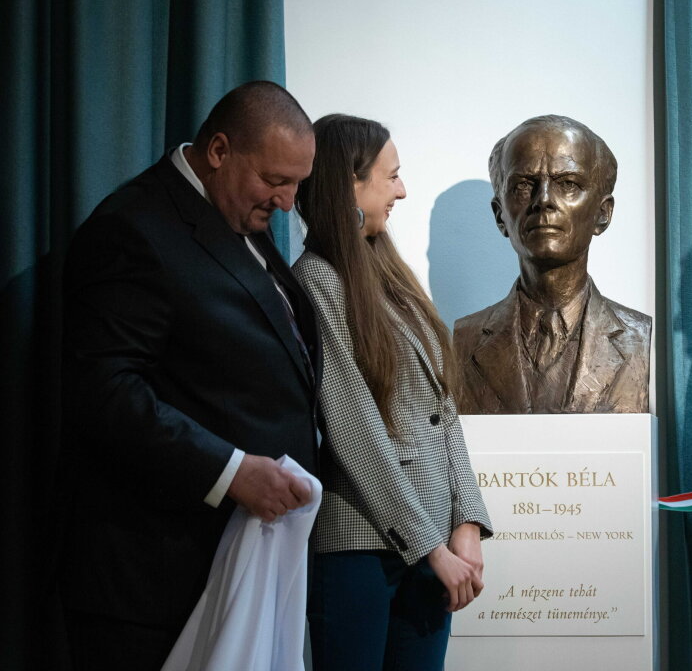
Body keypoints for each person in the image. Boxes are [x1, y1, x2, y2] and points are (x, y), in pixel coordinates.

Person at [60, 81, 320, 670]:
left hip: (239, 566)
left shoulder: (236, 214)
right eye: (275, 180)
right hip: (152, 579)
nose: (287, 203)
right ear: (220, 151)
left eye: (296, 185)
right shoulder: (132, 227)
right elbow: (103, 391)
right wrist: (230, 472)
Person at [292, 114, 492, 671]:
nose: (401, 190)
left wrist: (467, 524)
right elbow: (353, 428)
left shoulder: (390, 276)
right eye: (392, 176)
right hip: (358, 546)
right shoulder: (316, 281)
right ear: (348, 184)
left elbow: (442, 409)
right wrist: (430, 545)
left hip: (432, 543)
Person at [453, 115, 652, 414]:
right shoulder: (466, 338)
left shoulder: (639, 337)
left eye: (568, 184)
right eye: (524, 185)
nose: (543, 200)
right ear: (500, 215)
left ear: (602, 213)